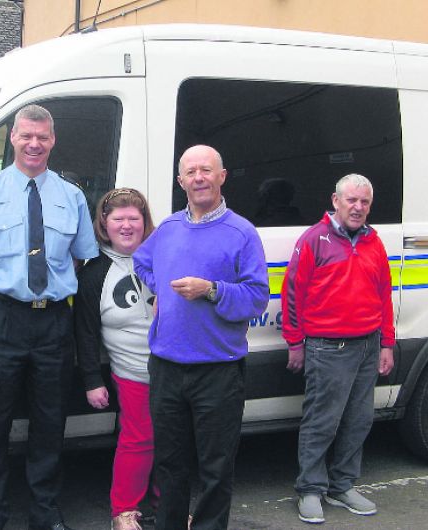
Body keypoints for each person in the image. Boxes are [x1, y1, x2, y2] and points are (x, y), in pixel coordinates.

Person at [0, 104, 99, 530]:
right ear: (13, 138)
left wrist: (46, 294)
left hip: (53, 322)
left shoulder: (71, 197)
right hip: (1, 319)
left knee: (49, 420)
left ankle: (44, 510)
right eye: (26, 136)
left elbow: (80, 260)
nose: (34, 144)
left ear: (53, 140)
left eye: (42, 136)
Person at [133, 145, 270, 530]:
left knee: (216, 469)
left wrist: (212, 290)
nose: (198, 178)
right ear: (181, 182)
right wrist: (158, 287)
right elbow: (142, 262)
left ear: (222, 176)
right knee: (170, 465)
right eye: (190, 172)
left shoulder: (241, 232)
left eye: (206, 170)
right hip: (166, 368)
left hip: (218, 371)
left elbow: (257, 296)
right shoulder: (169, 228)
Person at [281, 173, 395, 524]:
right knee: (322, 422)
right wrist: (295, 342)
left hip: (367, 344)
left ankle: (342, 486)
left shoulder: (374, 241)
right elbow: (292, 293)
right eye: (352, 201)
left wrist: (386, 343)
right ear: (336, 201)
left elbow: (383, 296)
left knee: (358, 421)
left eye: (364, 202)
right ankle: (310, 490)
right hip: (327, 347)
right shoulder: (314, 240)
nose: (358, 207)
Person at [75, 188, 158, 530]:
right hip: (132, 372)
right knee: (138, 439)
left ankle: (168, 503)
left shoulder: (160, 257)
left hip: (172, 368)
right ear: (104, 224)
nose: (126, 226)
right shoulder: (95, 272)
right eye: (118, 219)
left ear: (144, 223)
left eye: (133, 219)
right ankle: (124, 510)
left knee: (173, 439)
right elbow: (86, 332)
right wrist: (92, 381)